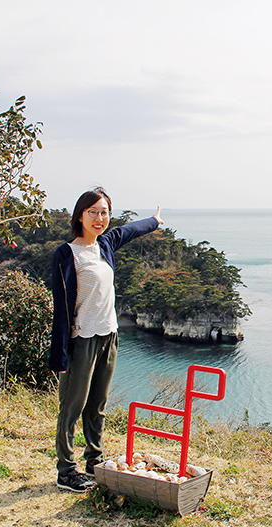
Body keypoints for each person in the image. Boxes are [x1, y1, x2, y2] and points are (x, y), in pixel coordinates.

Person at [49, 187, 163, 492]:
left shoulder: (105, 245)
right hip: (81, 339)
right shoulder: (67, 253)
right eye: (93, 212)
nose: (100, 218)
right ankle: (66, 471)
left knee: (97, 405)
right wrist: (59, 356)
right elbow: (61, 307)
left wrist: (154, 220)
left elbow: (130, 231)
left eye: (104, 212)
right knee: (72, 407)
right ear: (80, 216)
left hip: (108, 335)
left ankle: (94, 462)